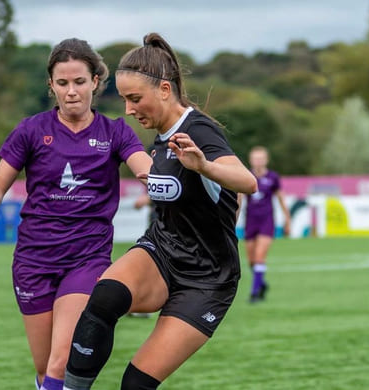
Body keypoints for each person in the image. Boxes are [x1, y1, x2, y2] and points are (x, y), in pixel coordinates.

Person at [63, 33, 257, 390]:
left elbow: (247, 182)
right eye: (123, 99)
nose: (128, 110)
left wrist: (205, 167)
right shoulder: (162, 134)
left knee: (135, 385)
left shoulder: (198, 130)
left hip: (207, 279)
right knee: (104, 298)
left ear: (165, 90)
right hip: (162, 251)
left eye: (135, 99)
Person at [0, 38, 152, 390]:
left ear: (96, 83)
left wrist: (161, 177)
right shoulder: (31, 130)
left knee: (61, 362)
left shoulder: (115, 132)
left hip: (86, 259)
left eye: (80, 82)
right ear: (51, 86)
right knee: (44, 369)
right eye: (62, 83)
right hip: (33, 260)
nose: (71, 91)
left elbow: (144, 168)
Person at [240, 146, 291, 303]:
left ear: (266, 160)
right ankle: (261, 283)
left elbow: (281, 198)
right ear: (251, 160)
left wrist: (287, 219)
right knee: (251, 260)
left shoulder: (273, 177)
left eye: (261, 158)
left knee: (260, 257)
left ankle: (254, 293)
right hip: (250, 221)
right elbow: (239, 197)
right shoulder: (246, 176)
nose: (258, 161)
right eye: (256, 158)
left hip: (267, 221)